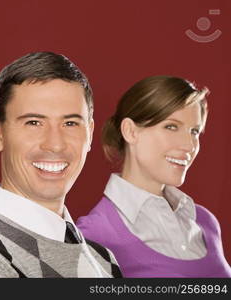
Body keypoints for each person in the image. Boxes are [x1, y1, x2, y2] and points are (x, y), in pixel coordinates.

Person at [0, 52, 122, 278]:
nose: (55, 144)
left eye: (70, 123)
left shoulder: (104, 262)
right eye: (34, 123)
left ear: (90, 134)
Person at [77, 75, 231, 277]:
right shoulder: (93, 235)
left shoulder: (205, 222)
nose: (189, 145)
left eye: (194, 131)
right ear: (131, 131)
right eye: (171, 127)